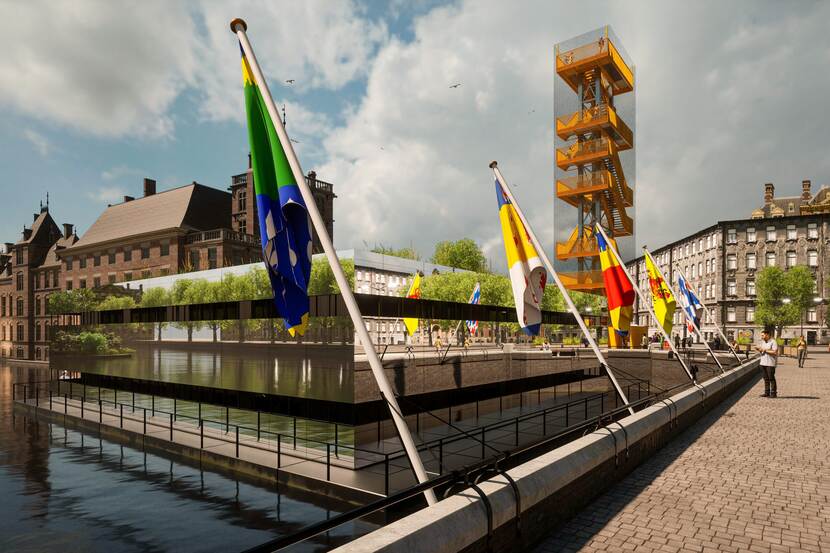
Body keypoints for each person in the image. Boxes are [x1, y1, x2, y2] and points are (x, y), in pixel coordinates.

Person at [754, 329, 778, 398]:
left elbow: (775, 352)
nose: (761, 336)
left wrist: (764, 350)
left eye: (763, 335)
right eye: (761, 335)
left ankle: (773, 393)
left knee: (771, 378)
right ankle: (767, 392)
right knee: (765, 378)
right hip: (763, 362)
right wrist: (759, 349)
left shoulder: (773, 342)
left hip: (770, 363)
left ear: (767, 335)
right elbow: (763, 352)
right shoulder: (763, 342)